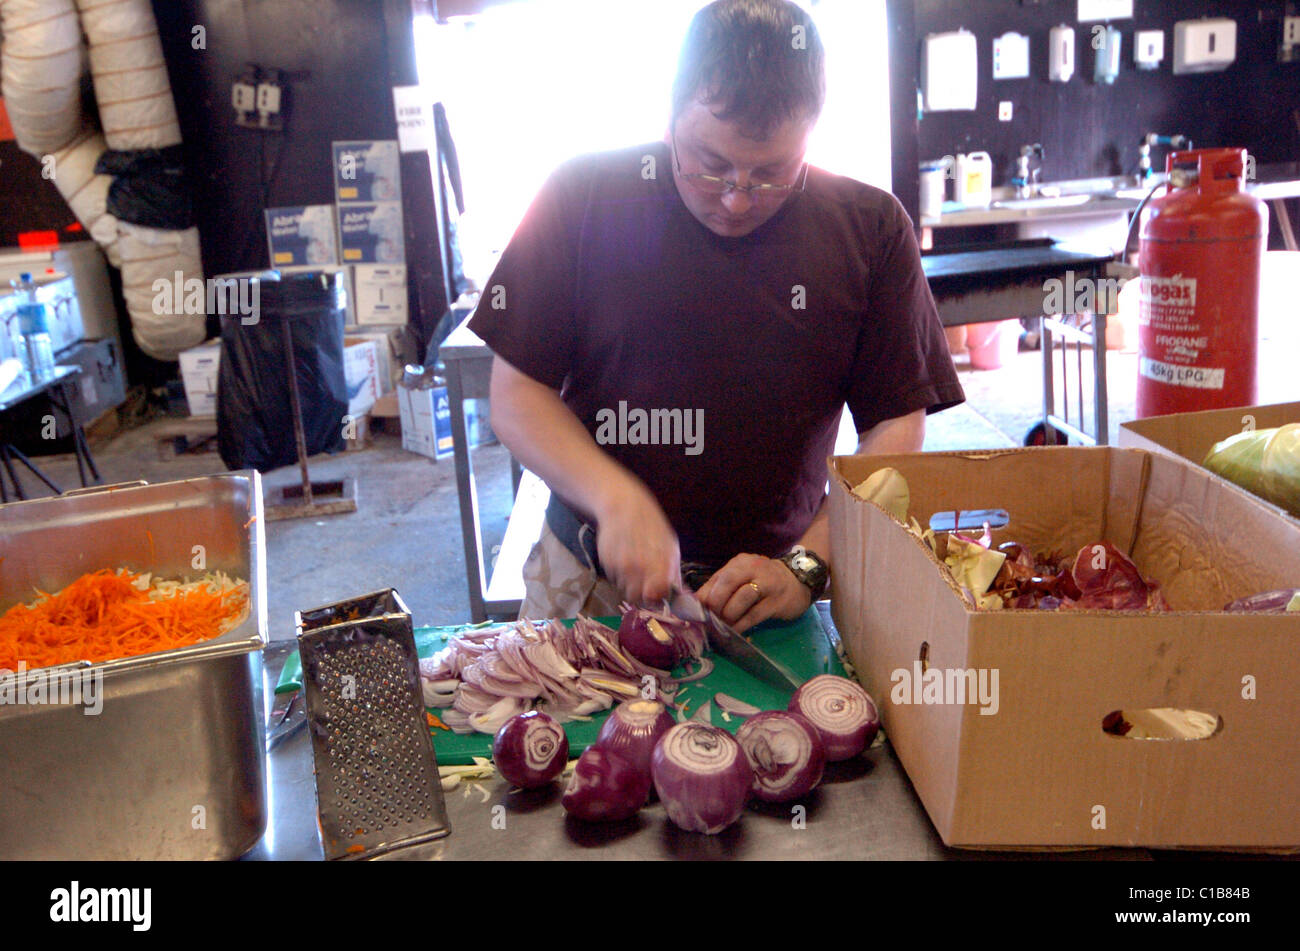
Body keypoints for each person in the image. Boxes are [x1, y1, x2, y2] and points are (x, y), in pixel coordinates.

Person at [469, 0, 964, 632]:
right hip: (590, 579)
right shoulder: (583, 197)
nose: (736, 197)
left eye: (771, 173)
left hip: (777, 591)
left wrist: (810, 565)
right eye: (710, 164)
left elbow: (895, 429)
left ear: (812, 133)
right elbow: (517, 396)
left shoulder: (869, 229)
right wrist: (616, 499)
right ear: (670, 116)